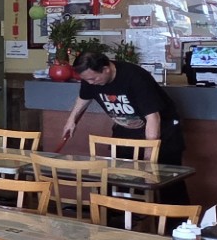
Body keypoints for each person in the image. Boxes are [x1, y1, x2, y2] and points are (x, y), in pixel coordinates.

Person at [56, 50, 186, 165]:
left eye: (93, 79)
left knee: (164, 182)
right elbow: (84, 97)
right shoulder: (90, 77)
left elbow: (153, 118)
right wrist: (71, 120)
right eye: (86, 80)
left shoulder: (134, 77)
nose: (90, 83)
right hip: (126, 130)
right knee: (123, 178)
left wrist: (149, 158)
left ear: (106, 69)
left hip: (161, 130)